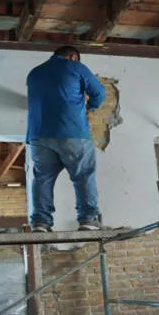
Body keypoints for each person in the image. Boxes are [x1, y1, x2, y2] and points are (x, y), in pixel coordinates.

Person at [26, 45, 106, 232]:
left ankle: (40, 222)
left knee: (42, 178)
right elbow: (99, 93)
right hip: (72, 132)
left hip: (38, 135)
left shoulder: (34, 73)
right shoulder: (75, 67)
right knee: (83, 175)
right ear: (72, 57)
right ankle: (87, 219)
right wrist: (91, 108)